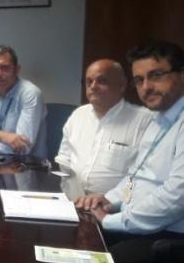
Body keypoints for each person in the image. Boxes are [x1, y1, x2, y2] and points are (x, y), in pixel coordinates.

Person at [76, 41, 184, 263]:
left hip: (172, 238)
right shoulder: (158, 119)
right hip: (144, 224)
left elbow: (177, 196)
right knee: (77, 238)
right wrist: (109, 199)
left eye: (156, 75)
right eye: (139, 80)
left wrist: (114, 220)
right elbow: (136, 175)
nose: (146, 87)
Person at [55, 59, 152, 194]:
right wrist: (72, 195)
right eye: (89, 82)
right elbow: (64, 161)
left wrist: (114, 199)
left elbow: (145, 176)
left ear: (122, 85)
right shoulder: (78, 115)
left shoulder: (145, 121)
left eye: (102, 81)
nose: (93, 87)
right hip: (73, 199)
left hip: (118, 204)